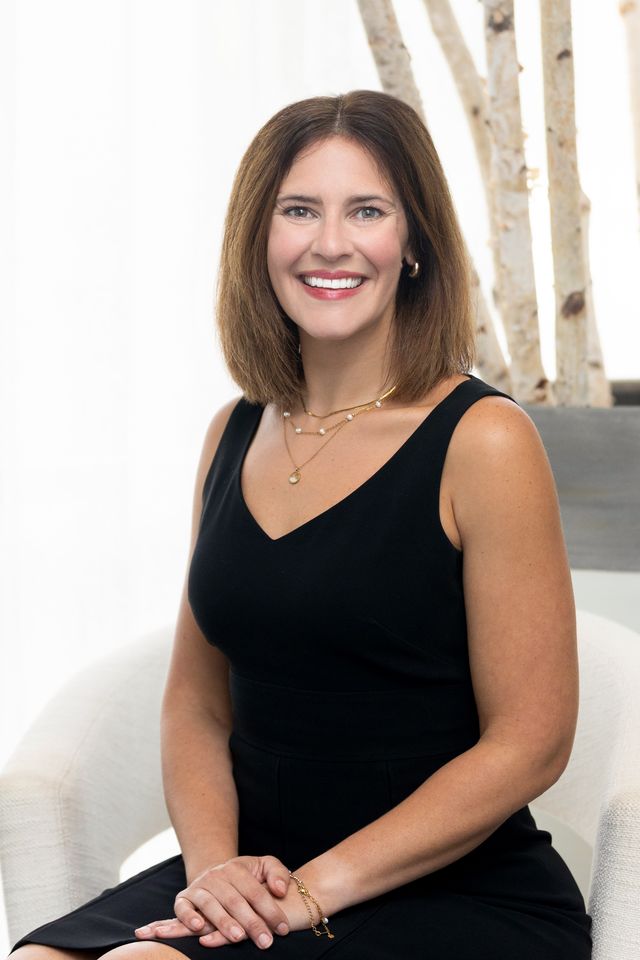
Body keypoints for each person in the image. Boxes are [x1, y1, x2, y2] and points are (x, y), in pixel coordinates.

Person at [8, 89, 593, 959]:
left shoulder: (485, 439)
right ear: (261, 239)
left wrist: (310, 892)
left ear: (415, 243)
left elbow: (530, 743)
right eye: (298, 211)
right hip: (256, 873)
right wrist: (216, 875)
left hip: (447, 888)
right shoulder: (234, 431)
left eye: (366, 211)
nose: (330, 243)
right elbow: (196, 702)